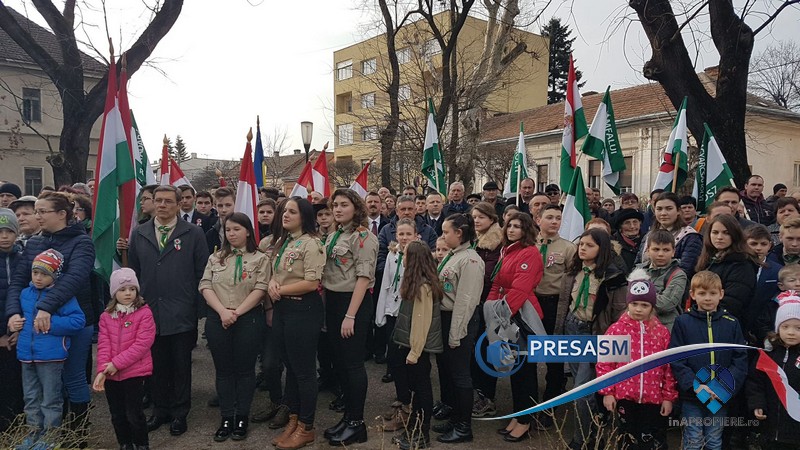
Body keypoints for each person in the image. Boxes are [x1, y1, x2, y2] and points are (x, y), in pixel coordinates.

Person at [5, 192, 96, 444]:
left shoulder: (82, 242)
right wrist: (13, 313)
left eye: (42, 211)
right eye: (36, 211)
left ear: (62, 214)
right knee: (40, 385)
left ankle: (76, 434)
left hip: (74, 322)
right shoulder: (34, 242)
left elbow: (75, 278)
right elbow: (19, 283)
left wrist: (45, 306)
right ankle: (44, 433)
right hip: (35, 328)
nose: (37, 216)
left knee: (73, 376)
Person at [127, 185, 209, 436]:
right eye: (157, 200)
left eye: (167, 201)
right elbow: (135, 272)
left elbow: (202, 272)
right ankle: (160, 410)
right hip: (150, 311)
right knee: (156, 365)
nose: (161, 205)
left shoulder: (193, 233)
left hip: (181, 310)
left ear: (177, 205)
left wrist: (198, 308)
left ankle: (179, 413)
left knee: (181, 365)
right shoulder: (140, 233)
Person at [554, 228, 628, 449]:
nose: (583, 249)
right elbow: (564, 305)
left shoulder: (613, 277)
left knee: (581, 392)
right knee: (581, 385)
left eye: (589, 245)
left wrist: (613, 345)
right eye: (581, 244)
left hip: (595, 334)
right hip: (572, 328)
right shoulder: (573, 272)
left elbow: (618, 314)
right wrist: (559, 333)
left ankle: (582, 440)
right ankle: (594, 432)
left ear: (602, 249)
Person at [200, 213, 269, 442]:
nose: (231, 233)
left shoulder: (260, 258)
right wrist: (222, 311)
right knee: (224, 369)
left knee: (244, 369)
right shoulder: (216, 258)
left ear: (248, 231)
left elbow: (260, 288)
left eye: (236, 229)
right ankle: (226, 416)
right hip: (219, 318)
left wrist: (237, 313)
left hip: (247, 318)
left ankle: (242, 416)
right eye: (228, 229)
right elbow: (205, 285)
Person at [9, 249, 85, 447]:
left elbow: (78, 321)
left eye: (44, 274)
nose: (39, 278)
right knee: (31, 397)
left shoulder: (63, 297)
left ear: (55, 276)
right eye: (35, 273)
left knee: (50, 399)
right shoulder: (25, 293)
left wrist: (51, 323)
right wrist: (15, 326)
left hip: (51, 357)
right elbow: (21, 318)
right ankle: (34, 434)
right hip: (26, 354)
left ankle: (50, 438)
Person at [321, 189, 378, 446]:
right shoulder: (334, 234)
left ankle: (357, 423)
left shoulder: (363, 237)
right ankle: (347, 417)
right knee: (340, 362)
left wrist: (350, 315)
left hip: (352, 304)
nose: (338, 209)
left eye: (344, 205)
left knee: (353, 364)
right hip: (332, 302)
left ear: (356, 207)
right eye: (335, 205)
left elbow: (363, 279)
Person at [669, 271, 748, 450]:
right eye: (702, 293)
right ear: (692, 295)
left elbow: (740, 358)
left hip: (719, 395)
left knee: (714, 440)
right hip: (693, 394)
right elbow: (676, 358)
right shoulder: (683, 322)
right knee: (693, 440)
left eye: (712, 293)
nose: (707, 298)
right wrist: (694, 384)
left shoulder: (731, 322)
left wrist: (724, 386)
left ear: (721, 294)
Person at [596, 274, 677, 450]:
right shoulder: (616, 330)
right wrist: (608, 392)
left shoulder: (662, 333)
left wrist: (668, 397)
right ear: (628, 304)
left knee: (651, 440)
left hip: (653, 400)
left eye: (644, 305)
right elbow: (605, 364)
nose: (638, 309)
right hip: (625, 398)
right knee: (626, 439)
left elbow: (668, 369)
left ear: (652, 307)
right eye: (634, 304)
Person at [489, 213, 544, 442]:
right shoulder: (507, 250)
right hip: (506, 315)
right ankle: (518, 414)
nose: (512, 230)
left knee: (526, 373)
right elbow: (497, 284)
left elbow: (519, 291)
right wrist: (490, 310)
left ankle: (526, 420)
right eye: (509, 225)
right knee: (515, 371)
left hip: (522, 318)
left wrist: (500, 318)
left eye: (518, 227)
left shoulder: (529, 253)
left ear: (527, 230)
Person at [433, 213, 484, 444]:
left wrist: (456, 333)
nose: (443, 236)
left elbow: (465, 301)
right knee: (448, 372)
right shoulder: (454, 256)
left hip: (458, 320)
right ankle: (454, 417)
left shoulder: (470, 260)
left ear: (459, 233)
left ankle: (464, 426)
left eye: (446, 232)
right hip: (445, 318)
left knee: (461, 374)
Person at [92, 268, 156, 450]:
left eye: (132, 288)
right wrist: (102, 370)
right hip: (111, 374)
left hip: (134, 373)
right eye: (122, 289)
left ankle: (142, 444)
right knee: (117, 414)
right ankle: (125, 444)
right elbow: (104, 345)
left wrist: (116, 364)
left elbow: (142, 344)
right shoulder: (106, 316)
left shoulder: (144, 313)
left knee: (134, 414)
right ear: (114, 293)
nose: (128, 293)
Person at [391, 240, 444, 450]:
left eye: (405, 255)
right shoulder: (418, 282)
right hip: (413, 347)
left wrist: (414, 351)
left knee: (422, 391)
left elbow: (421, 323)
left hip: (417, 349)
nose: (402, 257)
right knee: (418, 391)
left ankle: (422, 434)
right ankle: (413, 430)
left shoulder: (423, 287)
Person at [534, 205, 576, 428]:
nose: (554, 221)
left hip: (553, 305)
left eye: (558, 218)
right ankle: (529, 400)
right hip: (531, 304)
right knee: (529, 353)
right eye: (549, 217)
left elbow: (571, 278)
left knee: (554, 356)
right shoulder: (529, 245)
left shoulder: (568, 248)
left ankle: (550, 404)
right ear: (538, 219)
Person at [376, 218, 417, 431]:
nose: (403, 238)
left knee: (408, 359)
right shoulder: (392, 255)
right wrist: (381, 313)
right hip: (392, 312)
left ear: (415, 236)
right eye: (400, 234)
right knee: (393, 358)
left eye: (407, 234)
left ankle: (411, 403)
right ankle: (402, 397)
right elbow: (385, 284)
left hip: (409, 314)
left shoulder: (418, 256)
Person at [747, 290, 800, 450]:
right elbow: (755, 382)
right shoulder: (768, 355)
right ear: (778, 328)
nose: (791, 332)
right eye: (785, 326)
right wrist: (757, 403)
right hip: (771, 425)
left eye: (798, 328)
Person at [468, 202, 503, 419]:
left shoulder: (496, 244)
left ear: (492, 219)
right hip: (474, 302)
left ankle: (487, 398)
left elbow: (490, 276)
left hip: (489, 304)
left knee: (486, 352)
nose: (477, 221)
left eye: (481, 217)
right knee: (474, 351)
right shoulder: (475, 241)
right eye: (474, 217)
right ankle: (478, 394)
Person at [694, 214, 759, 324]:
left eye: (726, 233)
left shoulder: (742, 264)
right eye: (715, 232)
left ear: (735, 235)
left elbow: (732, 303)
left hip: (726, 325)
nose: (719, 237)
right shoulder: (707, 260)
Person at [637, 192, 703, 279]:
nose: (663, 213)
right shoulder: (648, 236)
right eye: (659, 209)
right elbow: (637, 265)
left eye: (669, 209)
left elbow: (686, 270)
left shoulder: (690, 237)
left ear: (678, 211)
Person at [634, 230, 687, 331]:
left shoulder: (678, 275)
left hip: (666, 328)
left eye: (666, 250)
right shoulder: (638, 271)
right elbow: (629, 300)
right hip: (639, 327)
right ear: (648, 250)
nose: (661, 254)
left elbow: (666, 304)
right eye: (656, 249)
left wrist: (641, 294)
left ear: (673, 252)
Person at [0, 209, 22, 432]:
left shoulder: (24, 259)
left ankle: (14, 428)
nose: (4, 236)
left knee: (14, 384)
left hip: (17, 335)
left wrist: (18, 331)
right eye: (0, 231)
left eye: (9, 231)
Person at [746, 225, 783, 346]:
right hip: (742, 321)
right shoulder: (737, 267)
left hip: (765, 326)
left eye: (763, 244)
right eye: (753, 243)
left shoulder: (778, 270)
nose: (758, 248)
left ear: (770, 245)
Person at [753, 264, 800, 349]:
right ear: (781, 285)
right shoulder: (774, 304)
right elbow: (762, 324)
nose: (798, 284)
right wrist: (769, 338)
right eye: (792, 280)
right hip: (776, 346)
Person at [611, 208, 644, 274]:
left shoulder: (647, 241)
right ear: (620, 226)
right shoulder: (612, 245)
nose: (632, 226)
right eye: (627, 223)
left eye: (635, 222)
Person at [206, 187, 236, 254]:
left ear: (235, 204)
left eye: (228, 205)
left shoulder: (245, 230)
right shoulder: (210, 234)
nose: (224, 210)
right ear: (215, 206)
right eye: (220, 206)